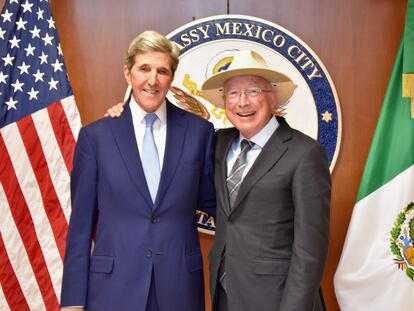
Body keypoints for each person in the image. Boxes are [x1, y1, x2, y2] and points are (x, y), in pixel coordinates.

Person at [60, 30, 215, 311]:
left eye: (162, 71)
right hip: (112, 290)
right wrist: (72, 301)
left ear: (172, 77)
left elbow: (217, 203)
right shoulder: (97, 137)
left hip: (180, 290)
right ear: (127, 72)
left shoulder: (199, 132)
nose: (153, 80)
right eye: (144, 69)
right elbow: (80, 226)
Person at [200, 50, 331, 311]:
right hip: (225, 295)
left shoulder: (305, 154)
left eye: (253, 91)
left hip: (278, 299)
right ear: (224, 101)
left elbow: (310, 252)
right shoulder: (218, 143)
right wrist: (124, 116)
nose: (242, 102)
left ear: (272, 97)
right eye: (233, 94)